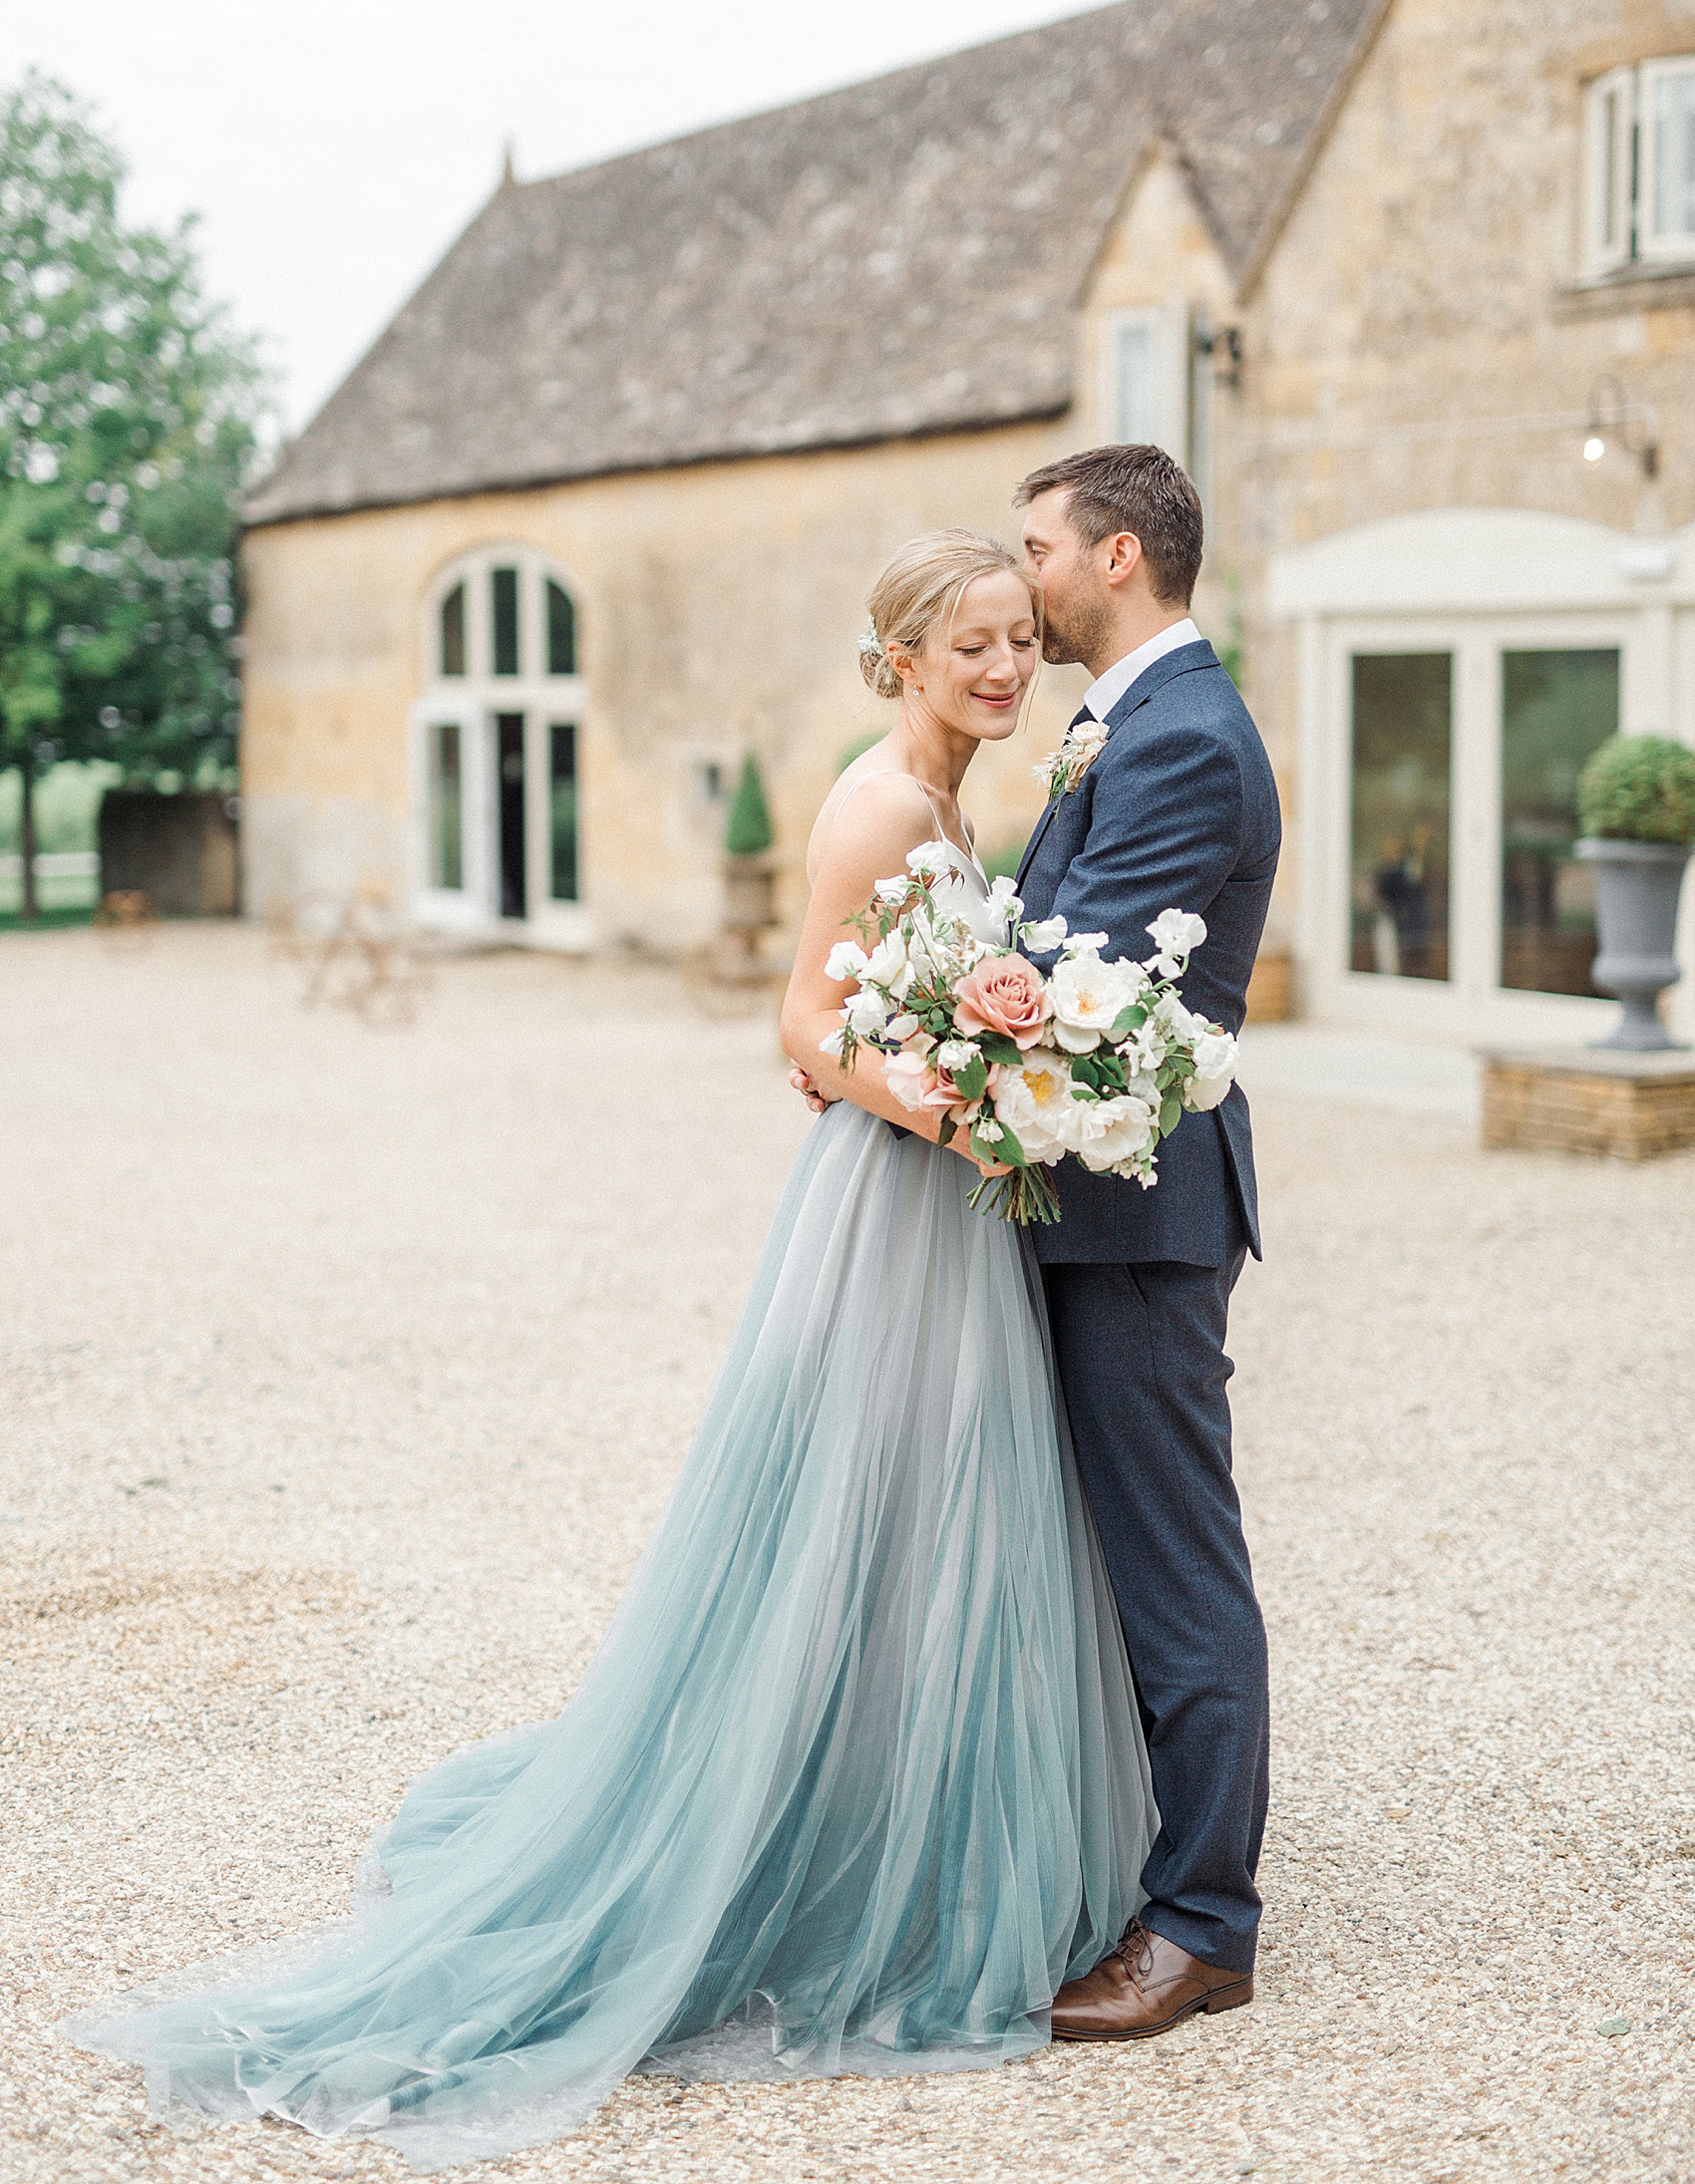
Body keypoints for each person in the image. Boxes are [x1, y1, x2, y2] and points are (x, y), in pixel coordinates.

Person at [63, 529, 1156, 2172]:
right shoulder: (876, 804)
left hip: (951, 1196)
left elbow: (876, 1006)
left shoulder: (950, 800)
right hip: (896, 1198)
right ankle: (806, 1824)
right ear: (906, 661)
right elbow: (801, 1019)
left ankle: (898, 1802)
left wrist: (990, 1082)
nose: (1007, 669)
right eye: (976, 647)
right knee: (851, 1508)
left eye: (1020, 642)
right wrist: (962, 1105)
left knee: (946, 1515)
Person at [1013, 443, 1280, 2040]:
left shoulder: (1182, 737)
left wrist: (899, 1031)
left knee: (1176, 1561)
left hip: (1138, 1203)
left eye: (1037, 545)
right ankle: (1134, 1858)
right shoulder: (1126, 718)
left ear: (1118, 556)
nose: (1019, 571)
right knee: (1113, 1553)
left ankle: (1203, 1922)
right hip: (1085, 1195)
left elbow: (1069, 973)